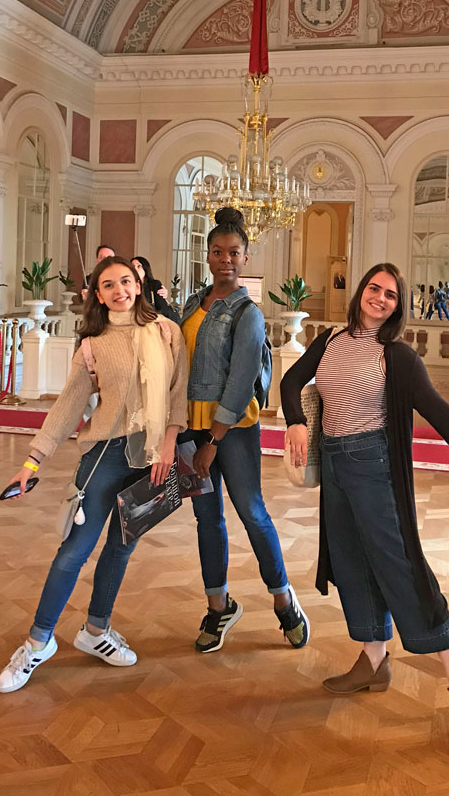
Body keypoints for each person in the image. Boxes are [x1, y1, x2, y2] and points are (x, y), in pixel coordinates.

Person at [280, 262, 449, 749]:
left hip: (372, 465)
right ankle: (373, 658)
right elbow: (290, 381)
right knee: (351, 560)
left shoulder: (397, 356)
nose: (380, 298)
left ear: (398, 306)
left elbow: (437, 409)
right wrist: (295, 420)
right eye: (374, 288)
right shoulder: (330, 341)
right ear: (361, 291)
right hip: (335, 465)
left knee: (399, 565)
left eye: (390, 294)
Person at [0, 256, 188, 693]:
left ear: (138, 284)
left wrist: (169, 445)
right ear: (97, 295)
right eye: (109, 285)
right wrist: (33, 461)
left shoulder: (167, 332)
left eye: (126, 281)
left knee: (121, 548)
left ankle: (96, 630)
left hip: (153, 456)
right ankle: (38, 642)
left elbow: (179, 394)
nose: (120, 290)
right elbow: (69, 405)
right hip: (106, 454)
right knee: (75, 550)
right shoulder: (92, 345)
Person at [181, 206, 310, 653]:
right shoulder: (191, 305)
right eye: (218, 252)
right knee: (206, 518)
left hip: (232, 430)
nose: (226, 260)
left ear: (245, 257)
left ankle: (283, 599)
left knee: (251, 511)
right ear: (208, 255)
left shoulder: (247, 314)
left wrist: (213, 441)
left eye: (234, 252)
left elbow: (239, 383)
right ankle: (218, 606)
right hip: (191, 429)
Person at [132, 255, 179, 323]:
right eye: (132, 267)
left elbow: (163, 309)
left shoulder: (154, 284)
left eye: (138, 266)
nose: (135, 269)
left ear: (145, 269)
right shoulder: (128, 287)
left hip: (152, 322)